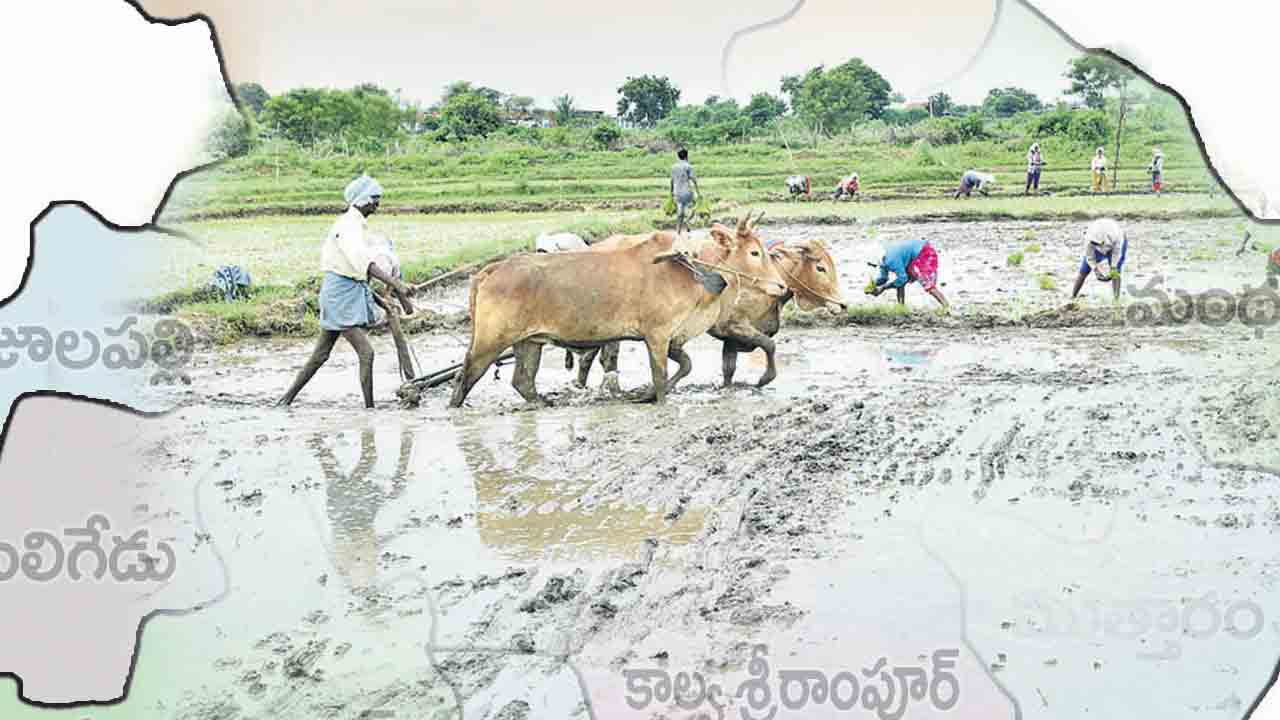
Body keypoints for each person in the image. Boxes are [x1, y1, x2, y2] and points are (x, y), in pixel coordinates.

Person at [278, 174, 416, 409]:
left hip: (346, 292)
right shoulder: (348, 226)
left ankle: (284, 401)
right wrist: (397, 284)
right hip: (339, 296)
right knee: (367, 353)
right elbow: (364, 263)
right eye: (375, 198)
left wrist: (384, 302)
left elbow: (359, 273)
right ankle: (369, 410)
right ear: (362, 200)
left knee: (320, 356)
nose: (377, 204)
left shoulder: (357, 226)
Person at [866, 238, 949, 310]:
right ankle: (901, 308)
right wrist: (872, 285)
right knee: (899, 282)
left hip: (924, 253)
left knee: (927, 284)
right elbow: (883, 278)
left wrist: (883, 288)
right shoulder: (883, 260)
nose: (874, 266)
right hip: (911, 257)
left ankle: (946, 307)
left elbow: (903, 279)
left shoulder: (891, 260)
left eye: (873, 265)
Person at [1071, 218, 1127, 302]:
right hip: (1101, 242)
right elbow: (1089, 257)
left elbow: (1116, 253)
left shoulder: (1116, 236)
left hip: (1114, 246)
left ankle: (1116, 301)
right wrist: (1096, 270)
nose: (1096, 245)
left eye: (1097, 243)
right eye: (1094, 243)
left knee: (1116, 272)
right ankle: (1073, 297)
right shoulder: (1089, 239)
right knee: (1084, 269)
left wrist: (1113, 268)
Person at [670, 147, 700, 234]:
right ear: (687, 156)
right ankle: (688, 220)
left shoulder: (673, 167)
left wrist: (671, 192)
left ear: (678, 156)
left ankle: (678, 230)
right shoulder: (688, 166)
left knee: (680, 210)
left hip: (677, 193)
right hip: (687, 192)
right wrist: (698, 192)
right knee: (695, 205)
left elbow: (672, 181)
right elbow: (693, 180)